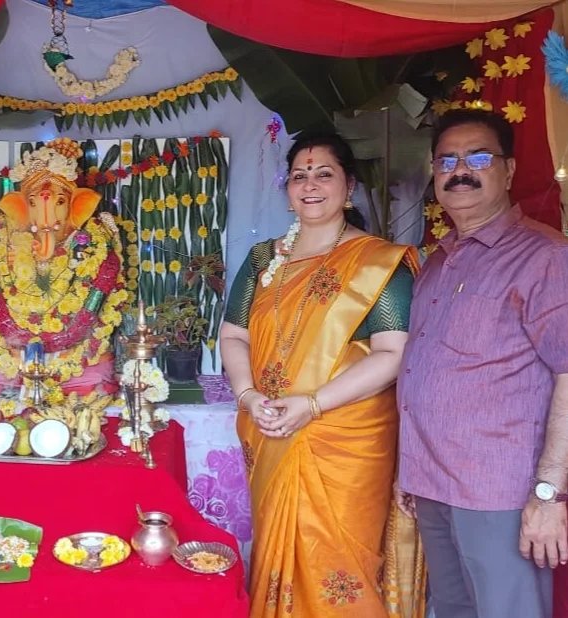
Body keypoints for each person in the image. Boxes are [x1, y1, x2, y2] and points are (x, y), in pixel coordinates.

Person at [220, 134, 423, 617]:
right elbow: (233, 334)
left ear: (348, 186)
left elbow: (392, 353)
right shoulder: (263, 260)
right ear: (288, 189)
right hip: (269, 428)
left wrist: (312, 405)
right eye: (299, 176)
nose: (310, 185)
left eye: (324, 174)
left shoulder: (378, 262)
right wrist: (248, 396)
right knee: (278, 550)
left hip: (346, 441)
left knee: (341, 567)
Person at [397, 109, 568, 617]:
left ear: (508, 170)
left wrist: (548, 495)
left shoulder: (544, 256)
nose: (459, 171)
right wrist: (410, 471)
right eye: (446, 161)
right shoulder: (437, 260)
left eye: (477, 158)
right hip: (432, 485)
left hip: (501, 494)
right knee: (451, 609)